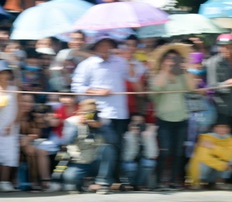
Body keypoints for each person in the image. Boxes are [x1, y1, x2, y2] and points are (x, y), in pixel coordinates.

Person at [70, 36, 138, 185]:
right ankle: (98, 179)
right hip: (95, 111)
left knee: (117, 146)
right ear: (95, 48)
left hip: (119, 112)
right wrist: (97, 92)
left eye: (109, 45)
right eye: (102, 46)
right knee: (98, 146)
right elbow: (76, 87)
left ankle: (113, 179)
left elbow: (133, 78)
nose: (106, 48)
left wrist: (129, 60)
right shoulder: (87, 64)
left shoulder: (120, 62)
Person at [149, 43, 198, 189]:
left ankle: (173, 181)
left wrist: (185, 69)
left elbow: (192, 88)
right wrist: (166, 69)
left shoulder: (182, 76)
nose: (172, 61)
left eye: (175, 58)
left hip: (181, 118)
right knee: (165, 151)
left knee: (178, 152)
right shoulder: (156, 76)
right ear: (163, 60)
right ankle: (159, 181)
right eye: (169, 58)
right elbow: (157, 88)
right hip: (164, 119)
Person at [60, 99, 116, 193]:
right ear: (80, 112)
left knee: (108, 149)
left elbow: (114, 140)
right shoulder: (71, 122)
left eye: (92, 112)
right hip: (81, 161)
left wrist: (100, 127)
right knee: (70, 177)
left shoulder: (104, 122)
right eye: (87, 112)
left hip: (98, 161)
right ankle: (87, 185)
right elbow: (67, 141)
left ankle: (103, 184)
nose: (90, 115)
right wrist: (78, 127)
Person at [121, 113, 158, 190]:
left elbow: (152, 155)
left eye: (140, 122)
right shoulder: (126, 135)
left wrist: (148, 137)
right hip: (129, 163)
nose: (137, 124)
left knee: (149, 162)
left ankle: (139, 185)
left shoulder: (148, 134)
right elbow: (127, 158)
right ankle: (131, 184)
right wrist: (132, 136)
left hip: (142, 165)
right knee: (130, 165)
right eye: (134, 121)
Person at [0, 60, 19, 191]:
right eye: (1, 73)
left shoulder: (14, 90)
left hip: (10, 125)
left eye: (5, 73)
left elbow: (19, 109)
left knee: (8, 154)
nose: (3, 75)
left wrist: (11, 124)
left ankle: (5, 181)